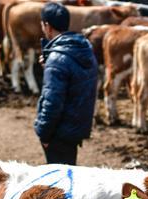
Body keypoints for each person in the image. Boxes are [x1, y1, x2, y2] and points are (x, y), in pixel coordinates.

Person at [33, 2, 98, 166]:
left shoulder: (56, 59)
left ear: (47, 26)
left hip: (58, 133)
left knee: (58, 182)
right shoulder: (84, 50)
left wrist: (44, 134)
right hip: (75, 128)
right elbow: (75, 80)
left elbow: (52, 101)